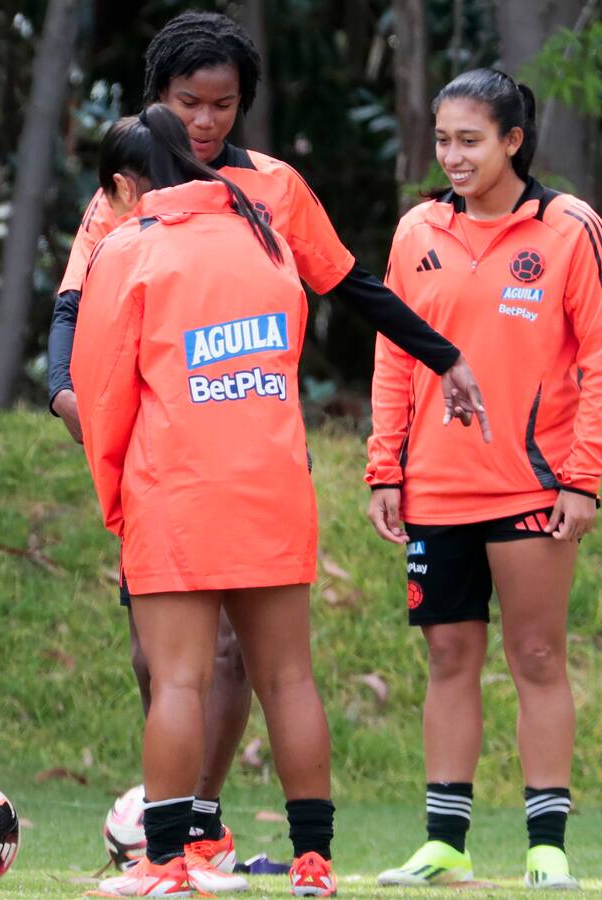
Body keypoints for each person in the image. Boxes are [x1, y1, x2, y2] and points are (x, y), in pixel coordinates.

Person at [48, 10, 490, 871]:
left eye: (223, 104)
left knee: (222, 660)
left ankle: (191, 835)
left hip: (199, 466)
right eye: (190, 103)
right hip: (234, 466)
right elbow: (74, 307)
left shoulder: (271, 194)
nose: (206, 120)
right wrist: (63, 393)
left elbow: (351, 284)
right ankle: (274, 850)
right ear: (159, 101)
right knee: (170, 663)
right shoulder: (127, 196)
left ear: (243, 103)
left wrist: (442, 355)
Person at [76, 106, 336, 898]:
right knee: (289, 679)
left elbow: (103, 391)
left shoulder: (131, 247)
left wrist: (117, 497)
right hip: (273, 484)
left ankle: (164, 865)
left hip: (178, 491)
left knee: (179, 682)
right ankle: (314, 864)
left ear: (126, 186)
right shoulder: (265, 237)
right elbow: (283, 359)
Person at [369, 70, 601, 892]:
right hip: (434, 487)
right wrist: (385, 466)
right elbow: (394, 353)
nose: (454, 156)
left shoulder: (571, 228)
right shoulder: (416, 231)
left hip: (534, 487)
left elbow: (599, 359)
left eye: (471, 139)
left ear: (513, 140)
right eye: (443, 140)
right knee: (447, 657)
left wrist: (584, 478)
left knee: (536, 654)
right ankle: (446, 845)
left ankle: (547, 848)